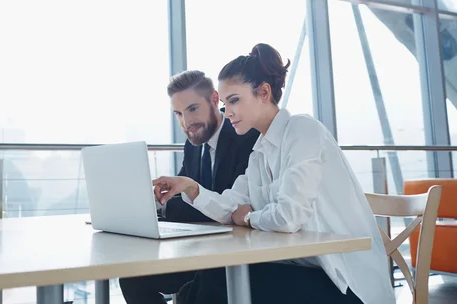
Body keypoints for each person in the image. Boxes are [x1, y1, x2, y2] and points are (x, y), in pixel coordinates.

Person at [153, 44, 395, 304]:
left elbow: (289, 216)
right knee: (205, 283)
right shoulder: (260, 151)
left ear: (264, 92)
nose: (228, 111)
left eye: (234, 100)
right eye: (225, 103)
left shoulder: (303, 130)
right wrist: (190, 187)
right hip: (300, 268)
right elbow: (230, 205)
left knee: (214, 281)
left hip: (342, 281)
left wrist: (248, 218)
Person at [119, 70, 259, 304]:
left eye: (193, 109)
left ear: (215, 99)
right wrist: (153, 203)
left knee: (192, 292)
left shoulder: (244, 136)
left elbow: (227, 206)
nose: (186, 123)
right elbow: (183, 195)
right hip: (198, 249)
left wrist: (168, 208)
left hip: (232, 254)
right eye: (178, 114)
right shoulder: (193, 145)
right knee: (132, 275)